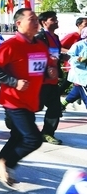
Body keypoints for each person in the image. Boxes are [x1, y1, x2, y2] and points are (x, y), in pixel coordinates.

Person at [0, 8, 56, 188]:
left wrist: (50, 72)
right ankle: (7, 163)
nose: (36, 23)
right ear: (19, 24)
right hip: (14, 100)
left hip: (30, 100)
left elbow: (45, 68)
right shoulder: (11, 45)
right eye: (31, 19)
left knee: (17, 136)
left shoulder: (40, 45)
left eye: (36, 20)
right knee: (33, 139)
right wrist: (13, 82)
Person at [35, 11, 67, 145]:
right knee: (35, 107)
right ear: (44, 22)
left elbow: (55, 54)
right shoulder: (40, 37)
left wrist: (61, 58)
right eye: (53, 19)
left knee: (55, 108)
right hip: (41, 80)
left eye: (56, 19)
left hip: (53, 80)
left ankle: (47, 133)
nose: (56, 21)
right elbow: (37, 55)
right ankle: (13, 120)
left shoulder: (56, 37)